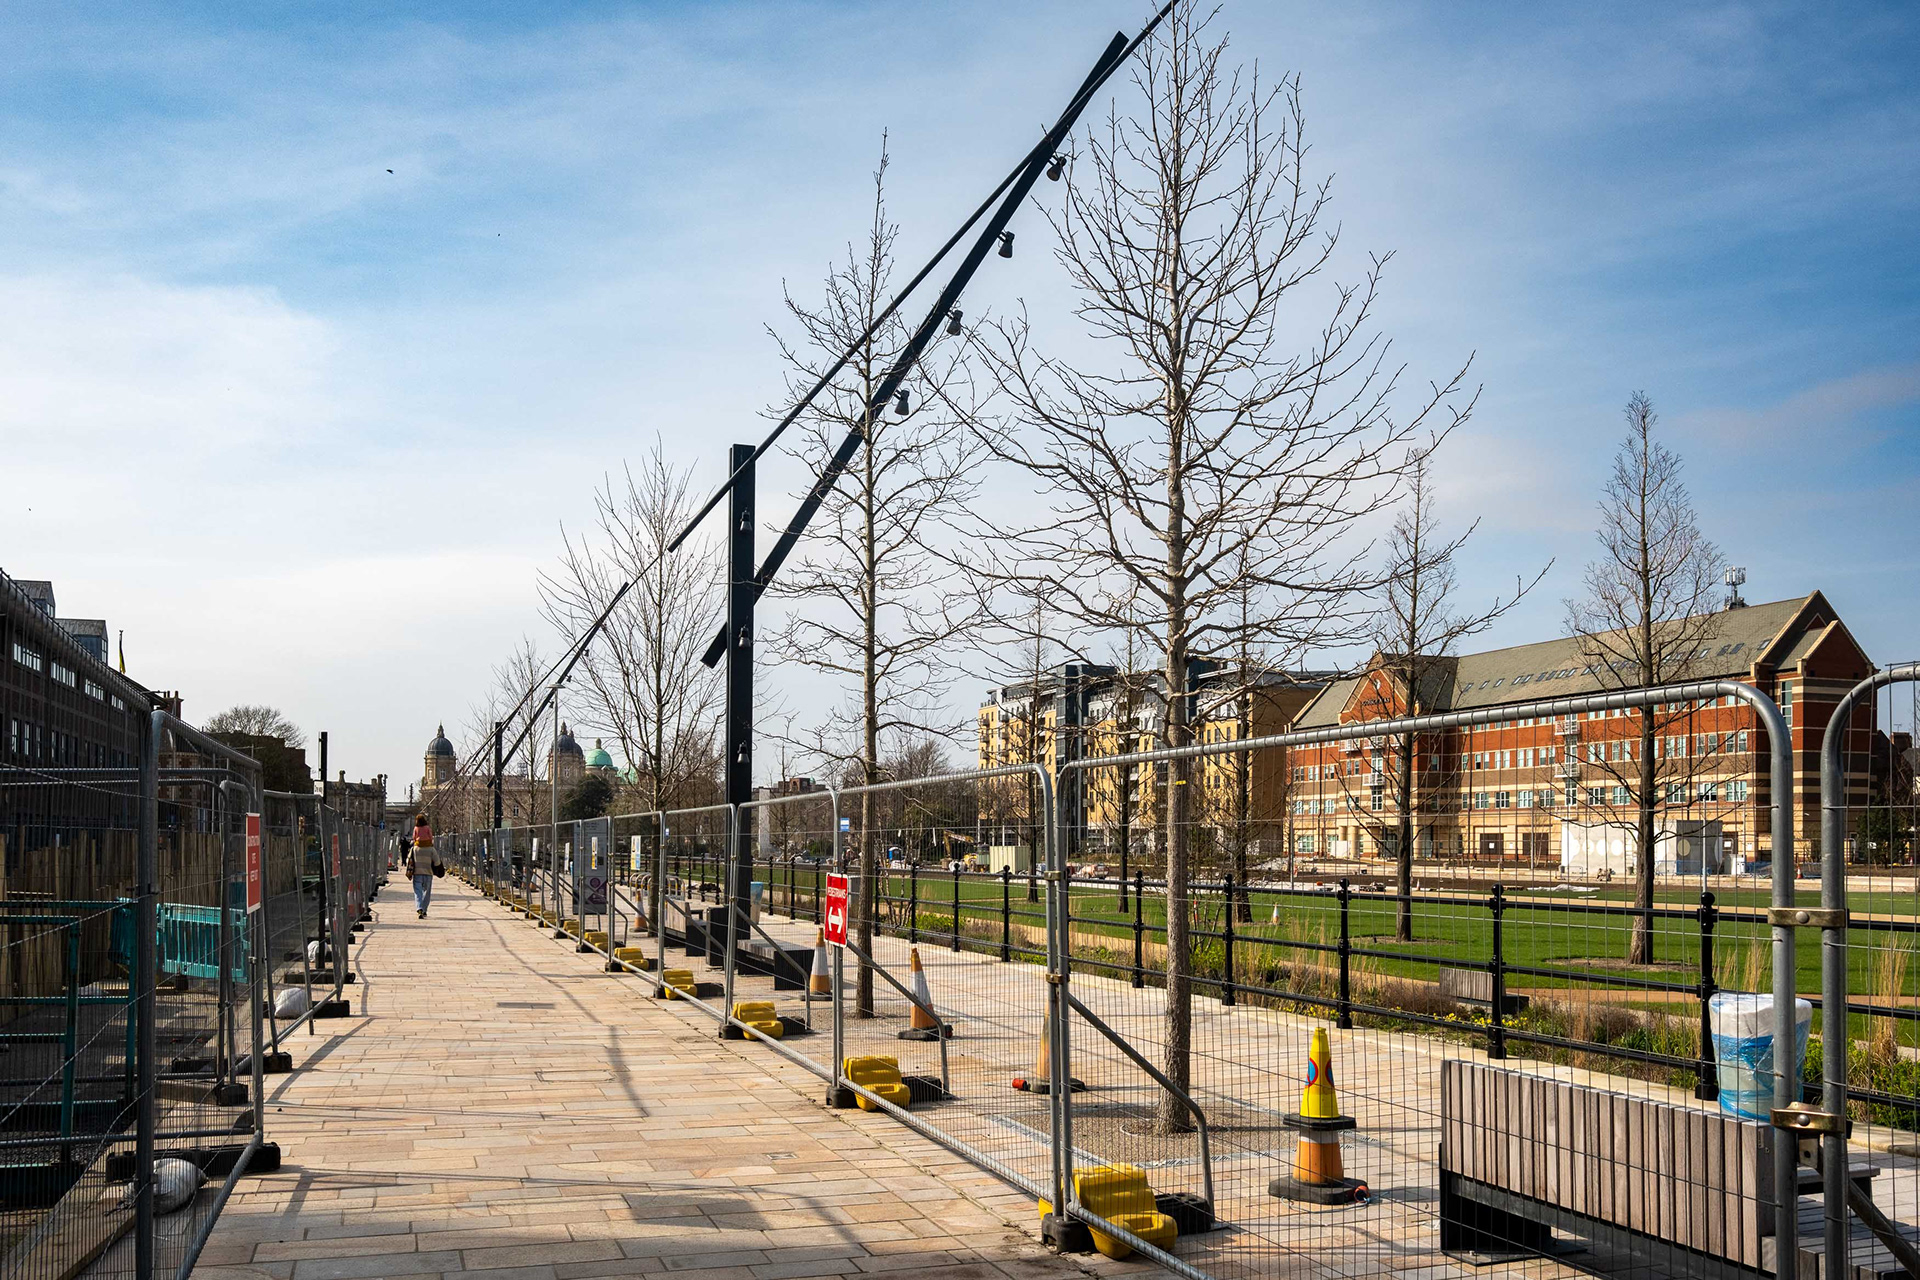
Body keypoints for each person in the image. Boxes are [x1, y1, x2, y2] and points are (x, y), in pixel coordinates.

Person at [407, 814, 441, 917]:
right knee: (427, 892)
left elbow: (409, 859)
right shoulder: (431, 849)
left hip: (417, 873)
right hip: (428, 873)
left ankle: (419, 907)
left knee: (418, 891)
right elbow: (437, 862)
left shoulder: (414, 849)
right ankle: (425, 909)